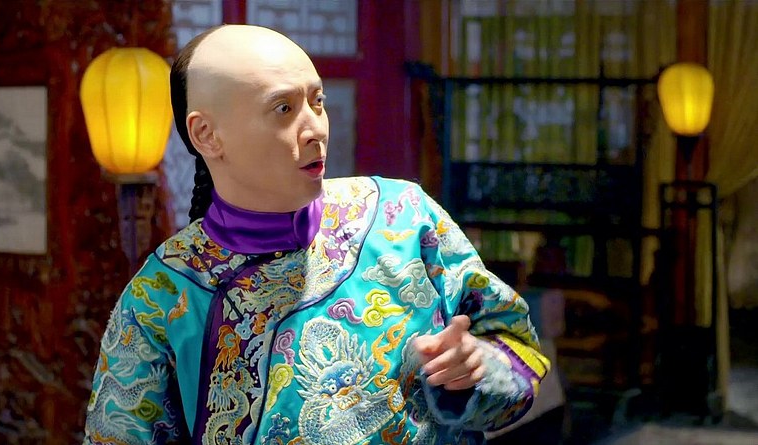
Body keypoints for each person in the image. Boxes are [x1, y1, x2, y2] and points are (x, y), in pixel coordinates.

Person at [83, 24, 548, 445]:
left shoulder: (404, 218)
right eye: (284, 108)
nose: (315, 129)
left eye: (317, 101)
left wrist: (479, 368)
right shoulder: (163, 294)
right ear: (207, 135)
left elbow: (521, 352)